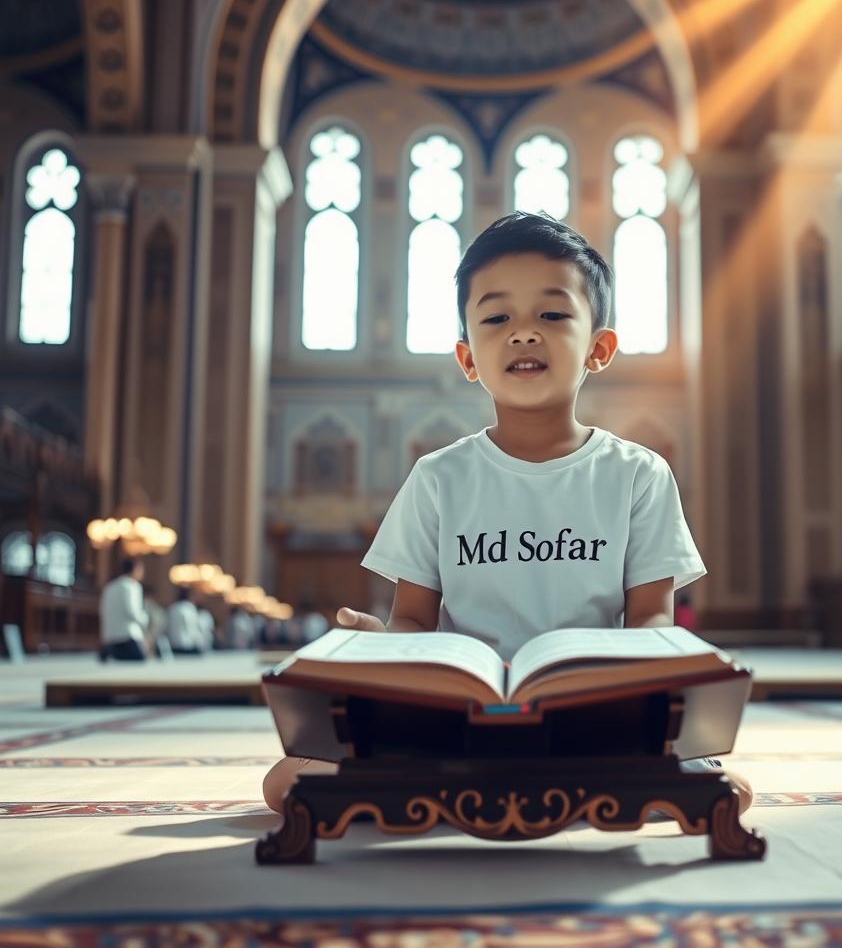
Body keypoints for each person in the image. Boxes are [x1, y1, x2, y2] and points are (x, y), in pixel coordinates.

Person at [262, 211, 753, 819]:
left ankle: (491, 785)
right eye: (496, 318)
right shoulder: (438, 477)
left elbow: (650, 618)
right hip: (460, 715)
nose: (524, 334)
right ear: (468, 357)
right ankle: (529, 779)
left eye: (552, 314)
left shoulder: (638, 474)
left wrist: (640, 694)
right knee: (287, 782)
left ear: (598, 347)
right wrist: (382, 653)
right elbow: (414, 621)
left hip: (591, 714)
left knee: (728, 792)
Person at [98, 558, 149, 662]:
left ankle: (110, 651)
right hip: (127, 636)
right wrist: (146, 622)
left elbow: (102, 610)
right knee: (141, 658)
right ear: (135, 569)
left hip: (109, 637)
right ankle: (115, 652)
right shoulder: (132, 586)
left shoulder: (110, 586)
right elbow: (133, 612)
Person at [166, 586, 204, 655]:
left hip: (173, 644)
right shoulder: (189, 608)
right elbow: (192, 628)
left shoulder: (172, 608)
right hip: (187, 645)